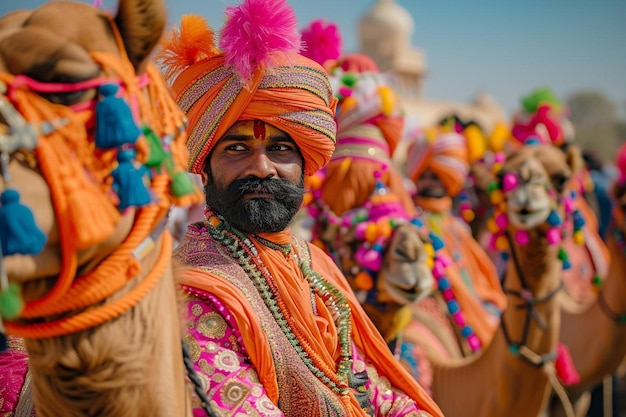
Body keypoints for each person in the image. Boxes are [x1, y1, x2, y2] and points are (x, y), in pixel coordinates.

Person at [158, 1, 443, 416]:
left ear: (305, 163)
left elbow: (367, 388)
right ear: (205, 164)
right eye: (237, 148)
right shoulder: (195, 292)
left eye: (280, 148)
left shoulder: (314, 267)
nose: (262, 166)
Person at [405, 124, 507, 351]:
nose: (429, 182)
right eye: (424, 175)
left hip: (469, 304)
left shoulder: (457, 226)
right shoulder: (407, 221)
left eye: (436, 176)